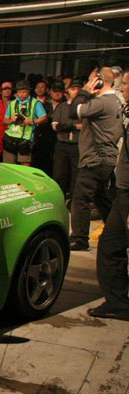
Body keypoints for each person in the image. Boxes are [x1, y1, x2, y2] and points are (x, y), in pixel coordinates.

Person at [68, 67, 123, 251]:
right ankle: (119, 234)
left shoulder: (102, 102)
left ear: (98, 82)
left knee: (81, 199)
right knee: (102, 199)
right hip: (105, 159)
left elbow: (73, 111)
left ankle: (79, 239)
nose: (88, 84)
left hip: (95, 159)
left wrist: (84, 92)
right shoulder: (115, 100)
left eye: (91, 80)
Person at [89, 70, 129, 320]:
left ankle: (118, 302)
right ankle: (118, 301)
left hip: (128, 196)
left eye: (125, 84)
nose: (122, 88)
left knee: (111, 246)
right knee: (111, 246)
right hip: (123, 192)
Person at [51, 78, 82, 202]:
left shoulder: (84, 107)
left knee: (76, 174)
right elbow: (55, 126)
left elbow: (85, 126)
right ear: (68, 91)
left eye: (79, 89)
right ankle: (58, 199)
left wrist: (66, 127)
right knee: (59, 173)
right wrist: (74, 126)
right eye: (73, 89)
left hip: (77, 144)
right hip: (62, 144)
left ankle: (73, 201)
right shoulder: (62, 106)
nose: (76, 91)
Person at [2, 80, 47, 165]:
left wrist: (31, 121)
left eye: (24, 92)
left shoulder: (35, 103)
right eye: (19, 92)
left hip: (25, 140)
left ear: (28, 91)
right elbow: (4, 121)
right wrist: (11, 119)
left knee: (25, 166)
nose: (21, 94)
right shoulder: (12, 103)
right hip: (10, 138)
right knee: (8, 165)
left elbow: (44, 118)